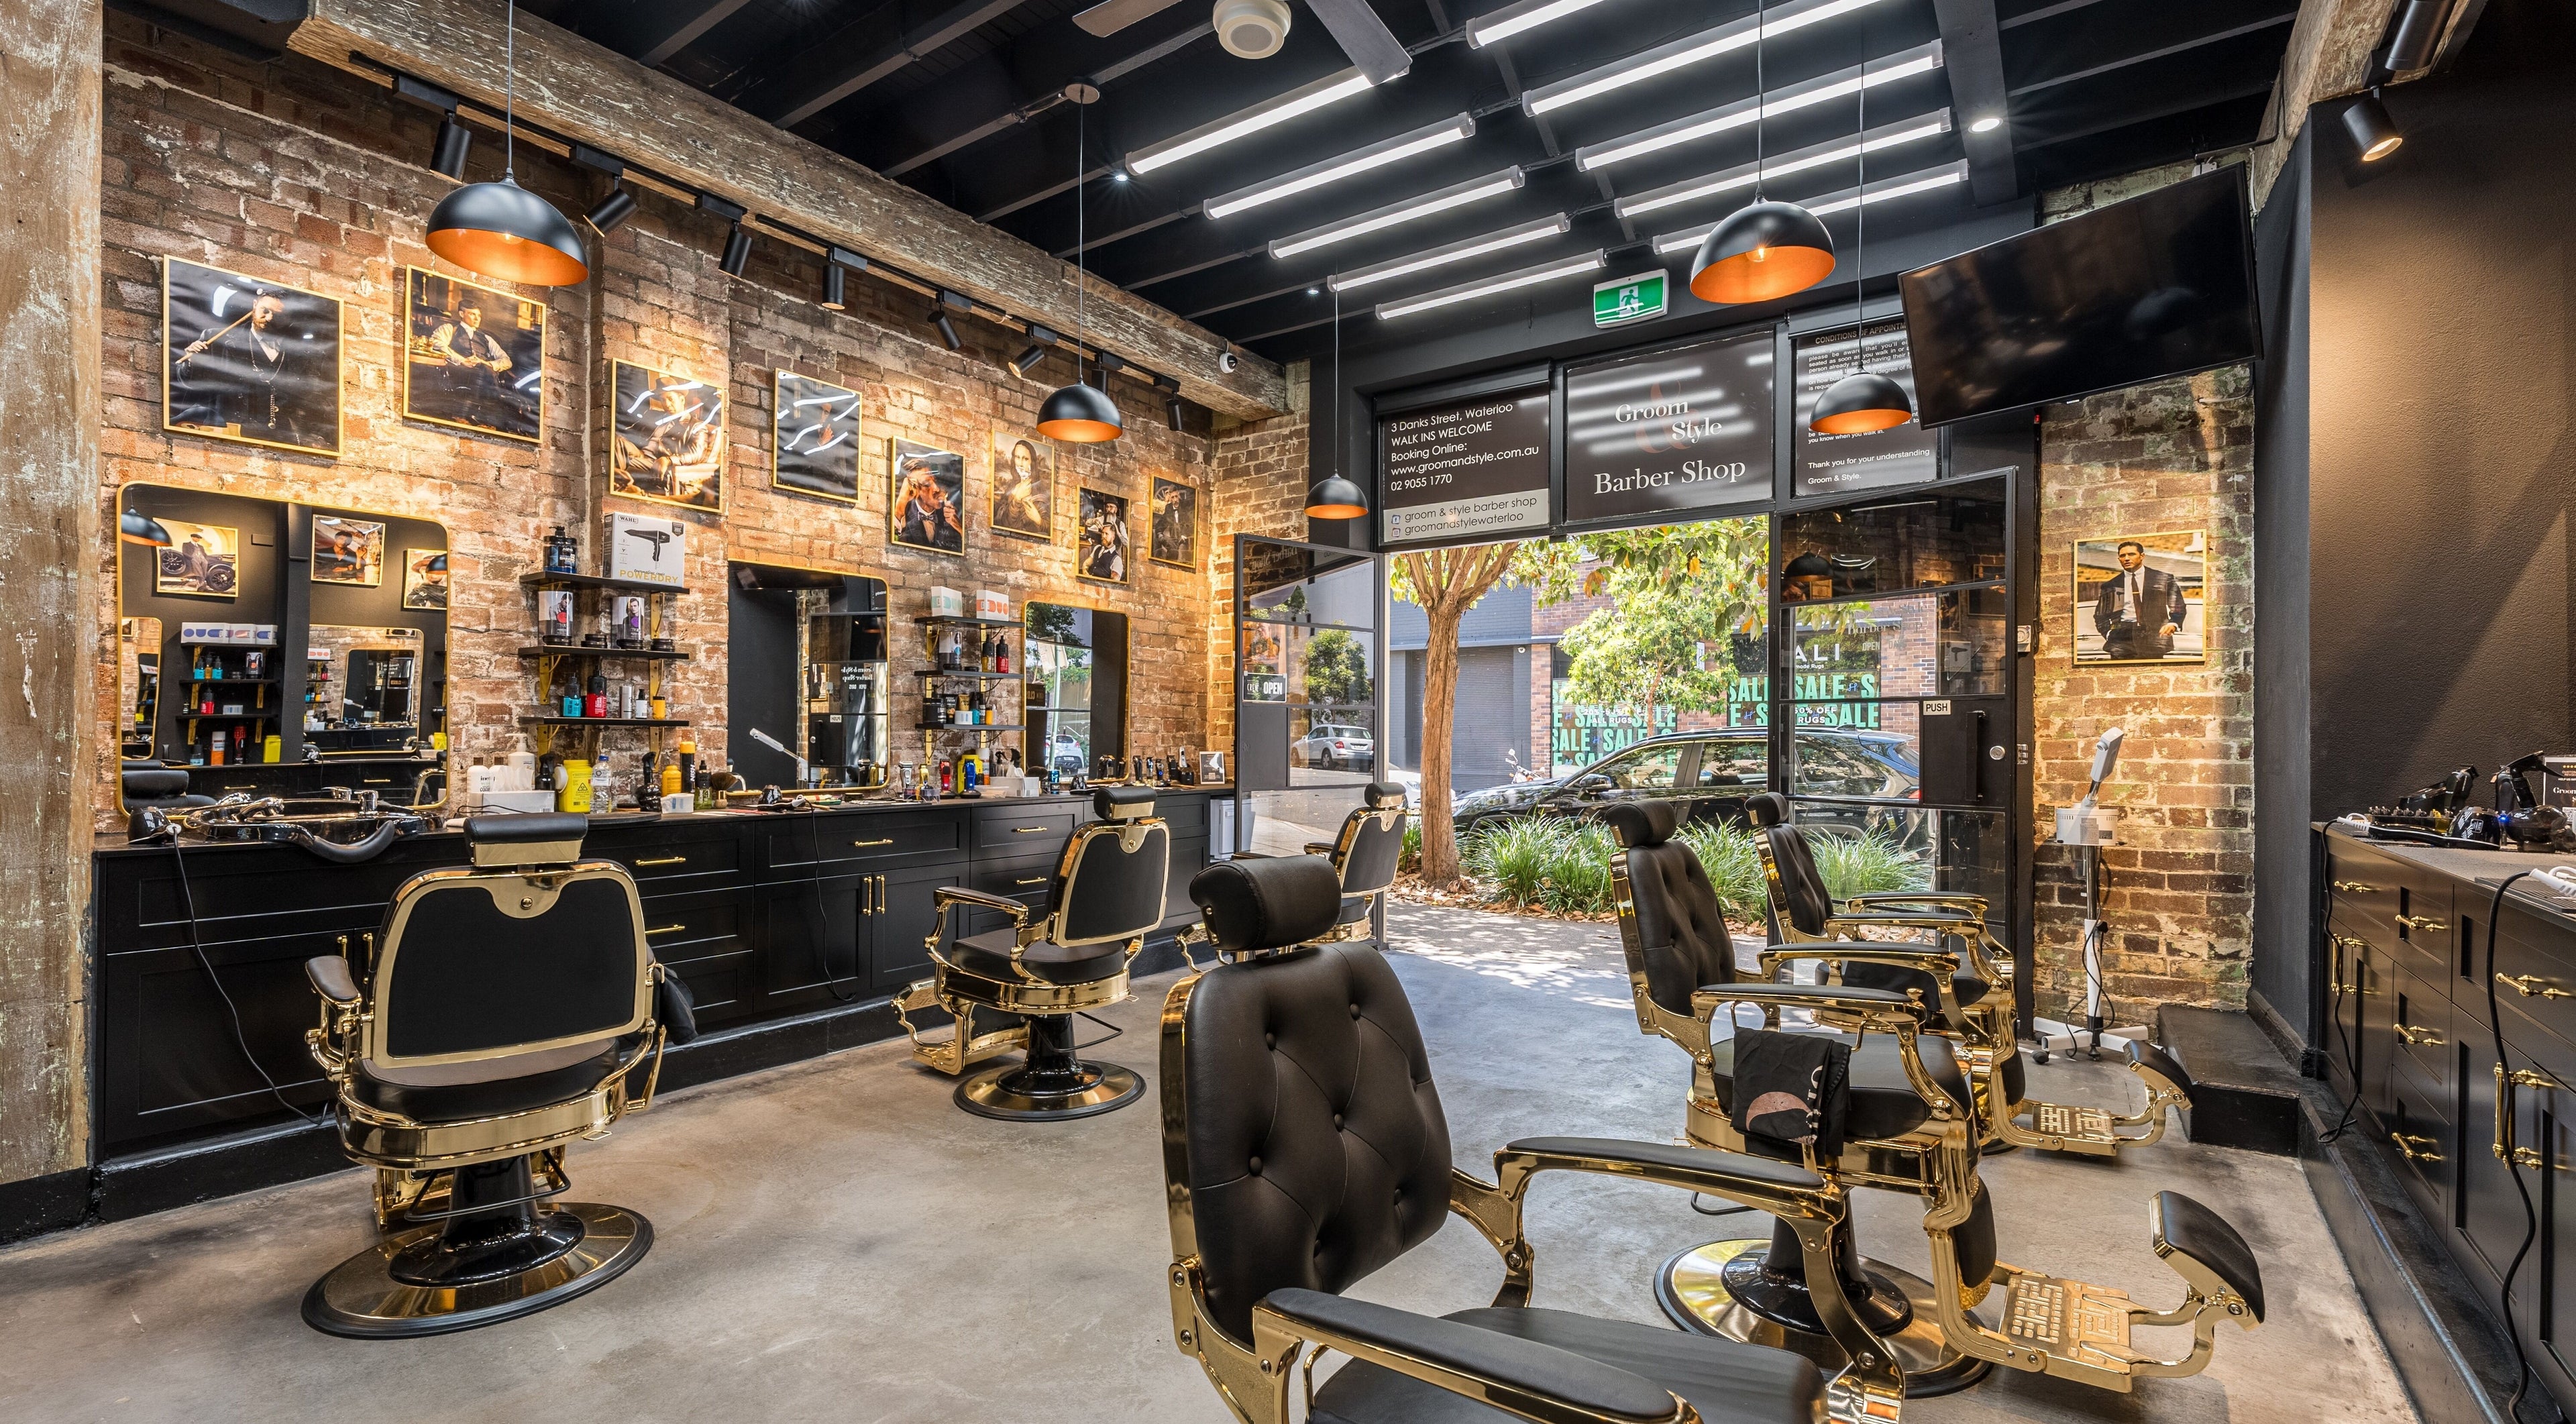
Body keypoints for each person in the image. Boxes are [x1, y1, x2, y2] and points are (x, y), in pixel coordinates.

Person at [176, 290, 313, 446]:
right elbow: (190, 384)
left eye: (278, 315)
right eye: (265, 310)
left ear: (290, 318)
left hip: (277, 438)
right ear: (255, 305)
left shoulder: (300, 353)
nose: (269, 318)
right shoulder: (217, 340)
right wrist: (192, 362)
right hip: (227, 433)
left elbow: (305, 400)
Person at [424, 297, 513, 427]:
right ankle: (490, 412)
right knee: (486, 372)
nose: (477, 319)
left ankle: (478, 412)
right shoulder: (450, 329)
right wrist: (462, 360)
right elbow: (437, 343)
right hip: (459, 371)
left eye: (479, 315)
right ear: (462, 314)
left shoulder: (486, 338)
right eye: (472, 314)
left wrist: (487, 363)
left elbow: (507, 361)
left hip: (484, 372)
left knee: (485, 369)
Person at [2093, 539, 2186, 659]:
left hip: (2153, 637)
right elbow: (2101, 615)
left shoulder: (2163, 579)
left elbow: (2178, 606)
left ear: (2142, 556)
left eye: (2131, 554)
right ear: (2119, 559)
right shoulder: (2111, 585)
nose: (2126, 558)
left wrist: (2173, 623)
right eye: (2122, 556)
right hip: (2121, 640)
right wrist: (2109, 634)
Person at [896, 457, 963, 551]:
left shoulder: (953, 514)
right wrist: (899, 512)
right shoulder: (903, 516)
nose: (936, 489)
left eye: (935, 481)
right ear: (913, 488)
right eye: (927, 484)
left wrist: (959, 528)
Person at [995, 439, 1046, 535]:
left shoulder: (1040, 489)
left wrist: (1039, 520)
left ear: (1032, 462)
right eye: (1017, 457)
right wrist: (1017, 499)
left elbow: (1048, 526)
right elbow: (1002, 522)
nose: (1020, 463)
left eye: (1025, 459)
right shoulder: (1010, 486)